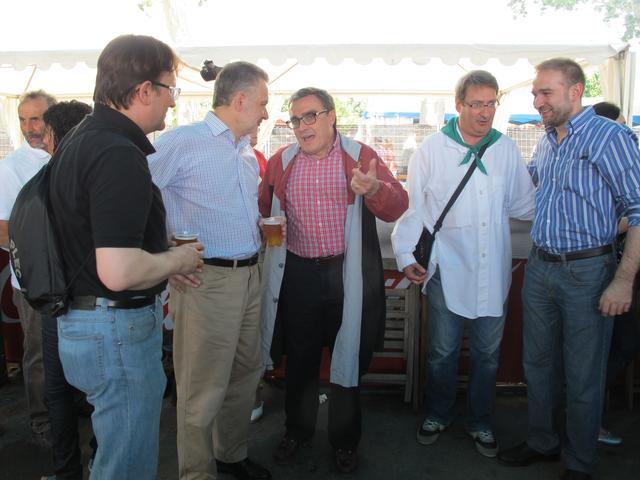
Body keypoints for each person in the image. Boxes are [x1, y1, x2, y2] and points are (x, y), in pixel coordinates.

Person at [48, 34, 204, 480]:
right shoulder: (117, 152)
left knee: (113, 458)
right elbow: (117, 270)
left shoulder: (82, 139)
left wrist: (161, 256)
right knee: (126, 467)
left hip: (88, 323)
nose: (172, 101)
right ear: (144, 90)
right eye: (171, 88)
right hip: (114, 330)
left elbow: (94, 238)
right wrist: (178, 262)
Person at [497, 58, 640, 480]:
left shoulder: (609, 136)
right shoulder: (547, 139)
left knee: (583, 375)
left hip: (588, 272)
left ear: (576, 91)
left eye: (546, 92)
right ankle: (543, 442)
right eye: (535, 93)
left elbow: (638, 209)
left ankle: (579, 462)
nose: (536, 101)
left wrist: (623, 280)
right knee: (537, 365)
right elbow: (527, 188)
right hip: (541, 267)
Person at [259, 87, 408, 473]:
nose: (302, 126)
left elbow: (397, 206)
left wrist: (374, 189)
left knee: (347, 359)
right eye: (295, 119)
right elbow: (262, 209)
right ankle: (297, 431)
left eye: (310, 116)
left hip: (346, 273)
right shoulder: (281, 161)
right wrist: (267, 226)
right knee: (300, 360)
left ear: (331, 116)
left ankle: (345, 441)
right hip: (299, 274)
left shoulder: (360, 156)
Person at [391, 70, 536, 458]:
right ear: (459, 105)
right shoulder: (432, 150)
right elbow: (414, 208)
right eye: (476, 104)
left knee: (487, 354)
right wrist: (405, 255)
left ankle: (480, 420)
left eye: (491, 103)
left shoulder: (505, 149)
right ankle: (438, 413)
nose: (485, 112)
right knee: (443, 351)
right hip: (448, 268)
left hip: (494, 270)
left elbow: (525, 204)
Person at [148, 61, 273, 480]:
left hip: (250, 275)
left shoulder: (244, 151)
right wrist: (164, 254)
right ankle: (197, 474)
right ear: (240, 100)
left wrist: (257, 227)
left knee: (244, 375)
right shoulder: (182, 141)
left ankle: (230, 456)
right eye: (262, 103)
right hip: (207, 280)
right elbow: (136, 196)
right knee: (201, 387)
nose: (265, 113)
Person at [39, 100, 95, 480]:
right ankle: (99, 464)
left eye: (45, 132)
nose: (42, 140)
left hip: (55, 301)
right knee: (97, 391)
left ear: (55, 135)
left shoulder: (45, 180)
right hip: (93, 299)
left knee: (59, 390)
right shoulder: (97, 175)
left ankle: (67, 472)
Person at [0, 89, 57, 448]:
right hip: (34, 281)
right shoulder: (12, 167)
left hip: (69, 277)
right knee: (38, 352)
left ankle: (67, 407)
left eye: (35, 118)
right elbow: (3, 230)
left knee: (66, 347)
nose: (28, 127)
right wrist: (39, 259)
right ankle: (42, 420)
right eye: (22, 120)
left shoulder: (65, 154)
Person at [591, 100, 639, 446]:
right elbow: (607, 223)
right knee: (615, 344)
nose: (626, 135)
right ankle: (587, 418)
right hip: (609, 270)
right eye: (620, 127)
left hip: (619, 268)